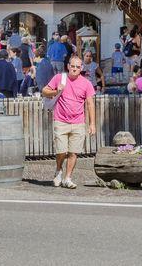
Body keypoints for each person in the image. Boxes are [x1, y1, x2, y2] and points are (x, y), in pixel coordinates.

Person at [42, 56, 96, 189]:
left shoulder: (86, 83)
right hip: (61, 120)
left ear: (81, 68)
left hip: (78, 122)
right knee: (61, 151)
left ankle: (68, 178)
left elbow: (90, 103)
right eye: (73, 66)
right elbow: (44, 91)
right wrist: (57, 91)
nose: (75, 69)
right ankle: (58, 170)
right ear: (68, 66)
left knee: (73, 152)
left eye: (78, 67)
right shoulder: (59, 78)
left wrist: (92, 123)